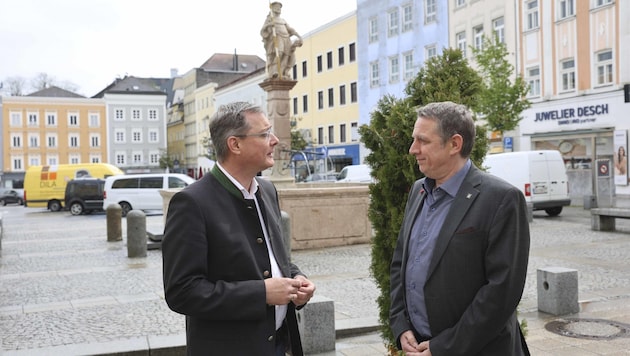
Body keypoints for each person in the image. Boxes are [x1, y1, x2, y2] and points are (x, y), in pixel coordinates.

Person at [162, 101, 316, 355]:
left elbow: (275, 258)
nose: (275, 140)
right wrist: (261, 293)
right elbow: (182, 291)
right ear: (235, 144)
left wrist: (297, 279)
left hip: (279, 344)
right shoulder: (192, 203)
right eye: (265, 134)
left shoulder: (267, 190)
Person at [389, 101, 531, 355]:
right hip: (419, 344)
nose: (413, 149)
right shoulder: (418, 191)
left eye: (423, 141)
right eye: (414, 140)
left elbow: (501, 292)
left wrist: (443, 347)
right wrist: (401, 325)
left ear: (455, 144)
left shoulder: (501, 198)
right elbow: (401, 263)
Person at [260, 1, 303, 80]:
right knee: (279, 53)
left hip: (286, 38)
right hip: (278, 38)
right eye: (277, 7)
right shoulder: (270, 19)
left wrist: (299, 36)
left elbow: (290, 29)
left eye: (280, 7)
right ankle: (274, 71)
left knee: (286, 56)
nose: (279, 9)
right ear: (272, 8)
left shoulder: (283, 20)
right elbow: (263, 30)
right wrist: (269, 25)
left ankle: (283, 72)